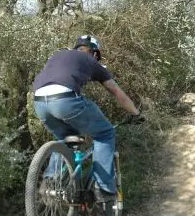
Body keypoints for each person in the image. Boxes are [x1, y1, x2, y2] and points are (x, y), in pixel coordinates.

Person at [32, 35, 142, 202]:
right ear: (95, 53)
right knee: (105, 133)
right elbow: (117, 93)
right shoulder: (91, 61)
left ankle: (50, 180)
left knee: (65, 138)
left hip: (39, 102)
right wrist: (136, 114)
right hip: (65, 100)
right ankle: (103, 188)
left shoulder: (58, 55)